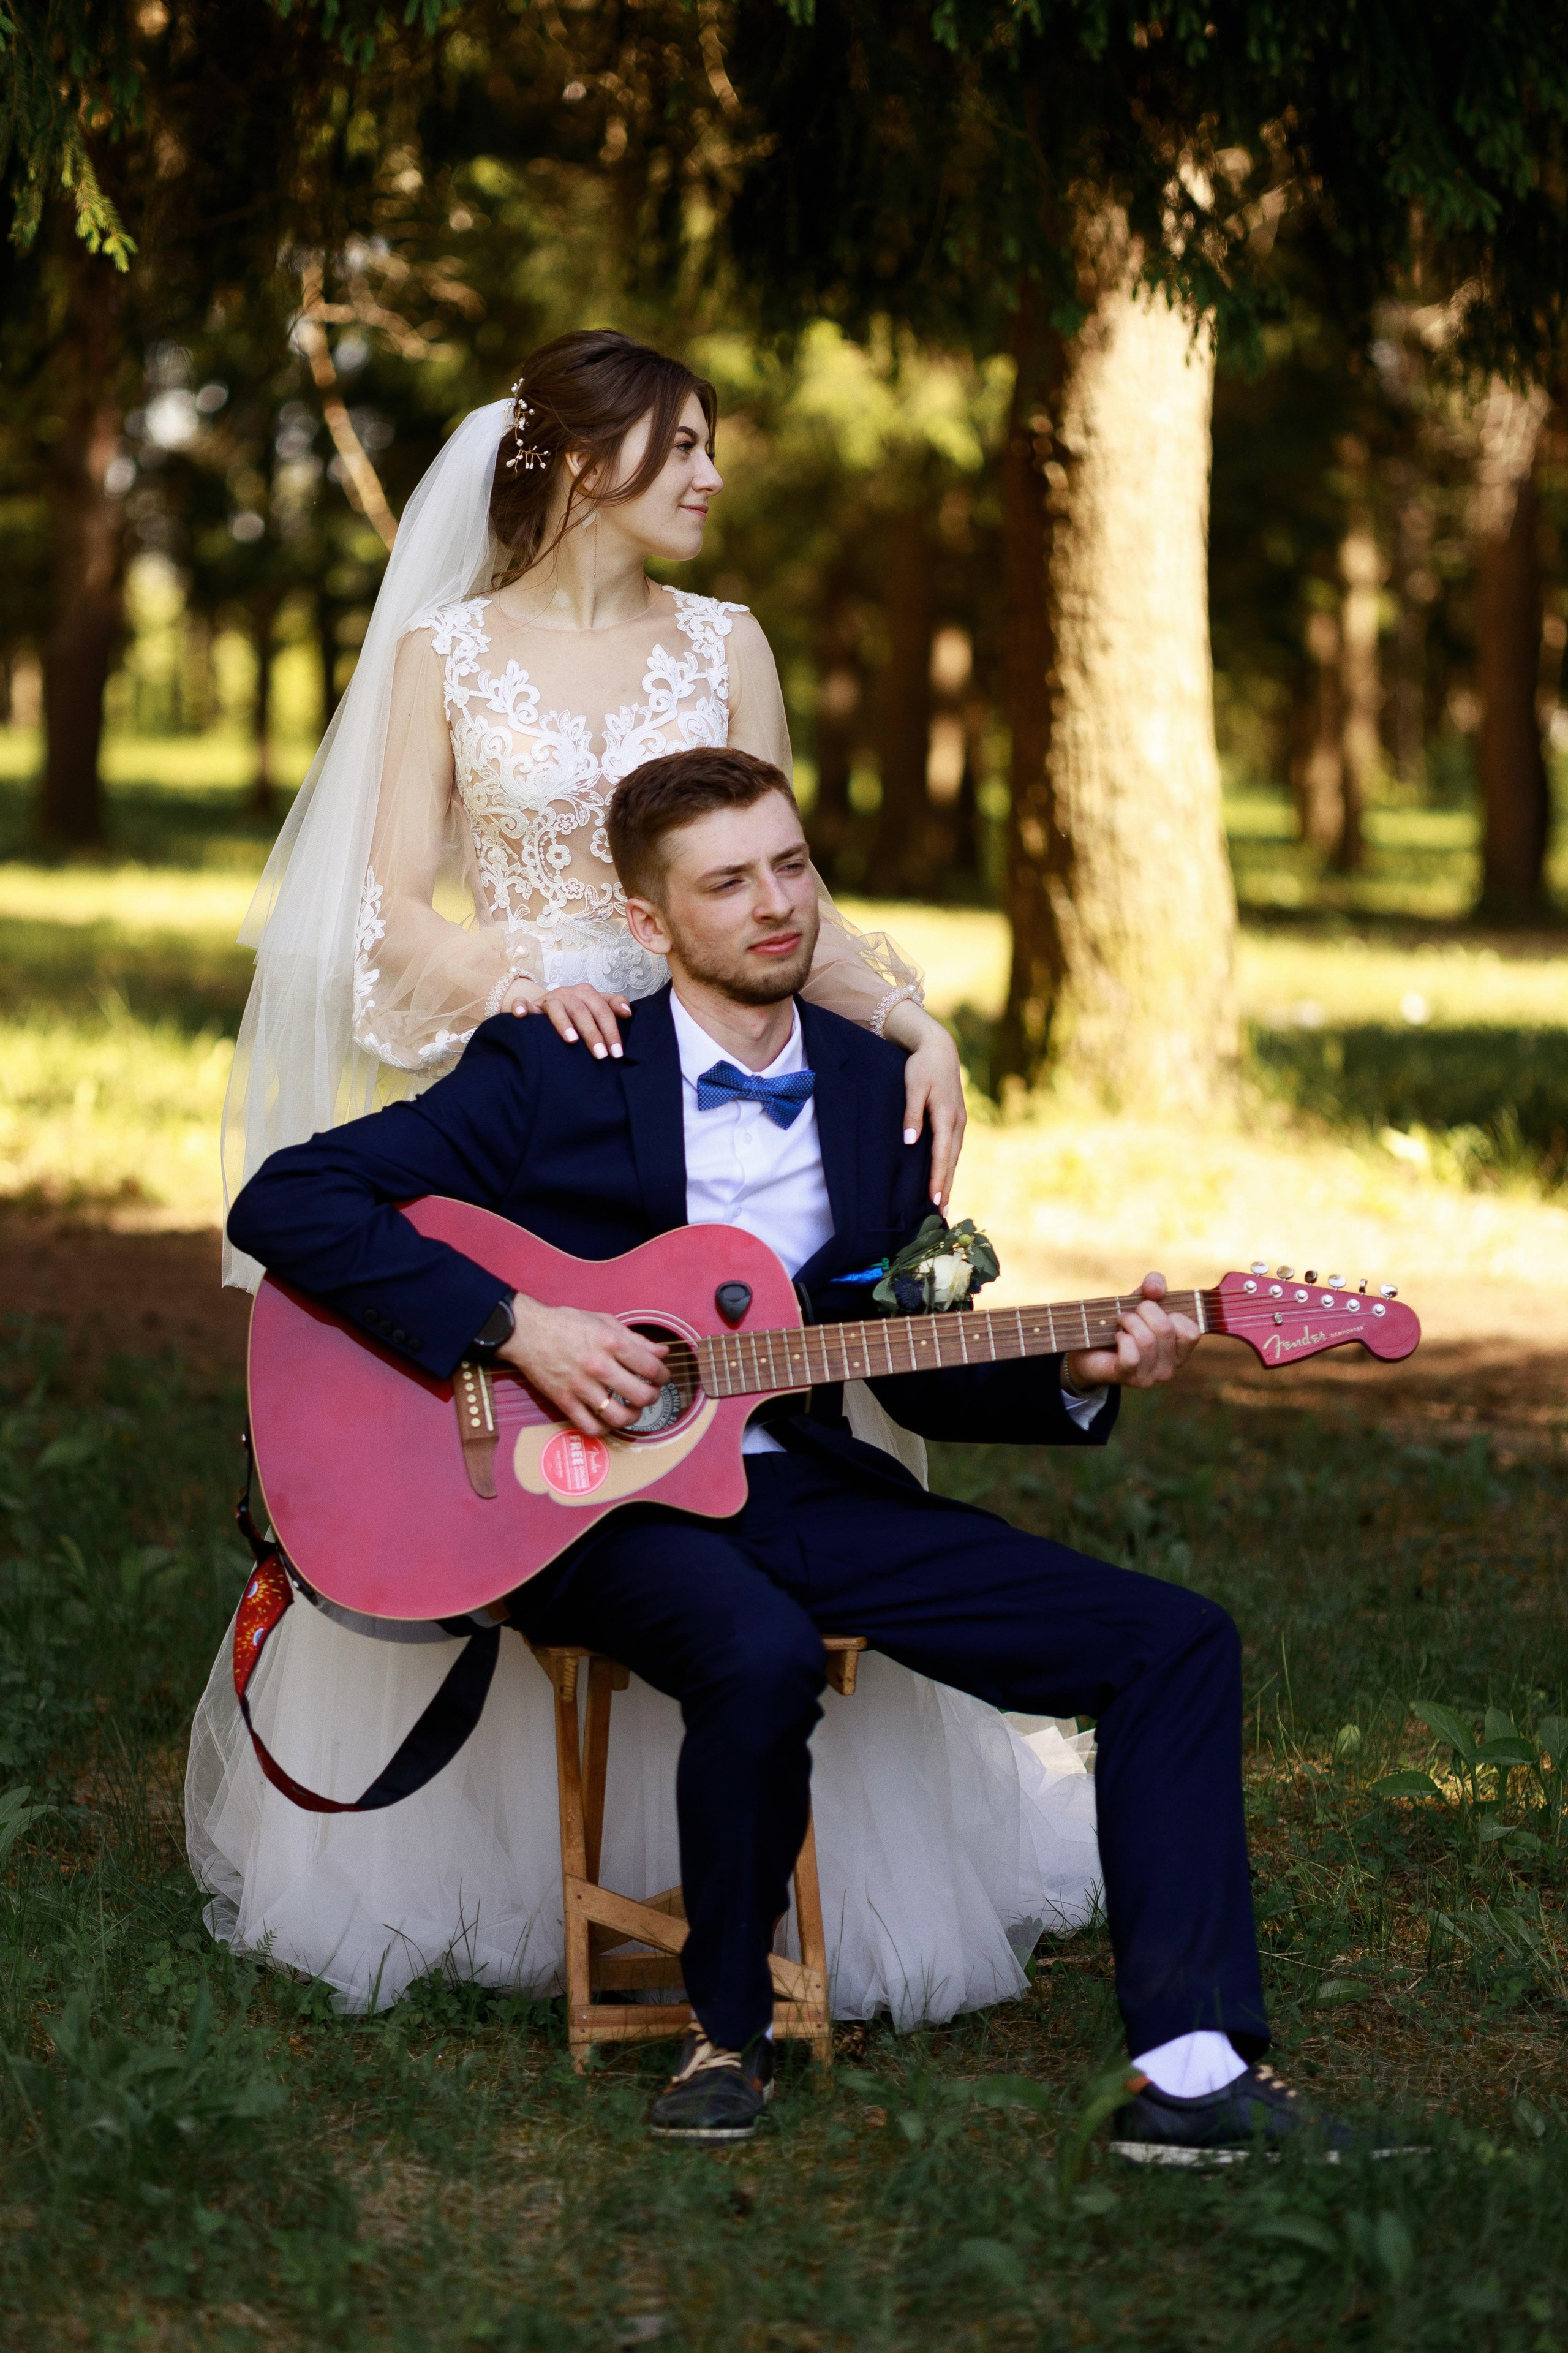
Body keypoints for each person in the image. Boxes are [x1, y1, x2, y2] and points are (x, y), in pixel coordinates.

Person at [227, 746, 1409, 2161]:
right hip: (575, 1507)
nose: (774, 904)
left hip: (796, 1479)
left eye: (790, 865)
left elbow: (885, 1338)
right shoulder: (556, 1064)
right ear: (654, 925)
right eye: (727, 883)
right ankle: (727, 2033)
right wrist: (514, 1327)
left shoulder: (869, 1088)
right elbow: (287, 1198)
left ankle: (1192, 2068)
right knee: (758, 1649)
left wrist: (1080, 1372)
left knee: (1173, 1640)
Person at [187, 329, 1102, 2030]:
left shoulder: (726, 643)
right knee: (528, 1428)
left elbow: (775, 872)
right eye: (681, 447)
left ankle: (786, 1864)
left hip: (707, 1123)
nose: (711, 478)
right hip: (538, 1107)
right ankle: (480, 1870)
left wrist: (910, 1017)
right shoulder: (446, 655)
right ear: (583, 463)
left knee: (747, 1414)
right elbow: (387, 913)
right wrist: (515, 979)